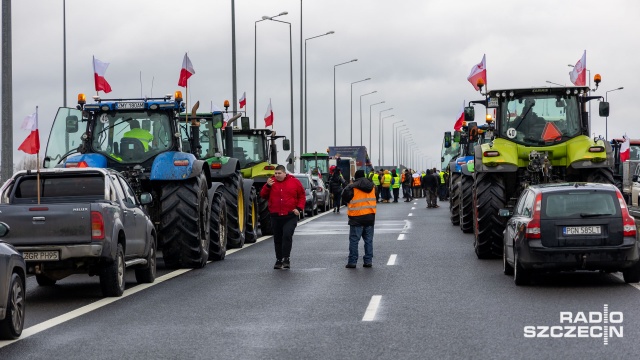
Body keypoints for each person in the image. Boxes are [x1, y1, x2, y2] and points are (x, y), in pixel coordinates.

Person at [260, 165, 306, 269]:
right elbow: (263, 195)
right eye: (275, 173)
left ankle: (286, 258)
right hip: (275, 215)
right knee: (277, 238)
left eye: (279, 173)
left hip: (290, 215)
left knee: (287, 235)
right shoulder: (271, 182)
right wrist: (267, 186)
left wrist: (299, 209)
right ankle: (279, 260)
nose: (277, 175)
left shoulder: (294, 182)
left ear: (285, 173)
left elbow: (302, 196)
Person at [342, 170, 376, 268]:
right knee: (368, 240)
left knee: (354, 241)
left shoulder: (351, 187)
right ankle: (368, 261)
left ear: (355, 178)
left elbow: (344, 198)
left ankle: (352, 262)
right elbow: (376, 197)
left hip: (356, 218)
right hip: (370, 217)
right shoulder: (372, 187)